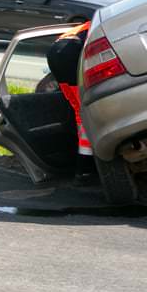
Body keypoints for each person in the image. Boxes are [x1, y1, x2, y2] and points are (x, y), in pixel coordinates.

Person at [46, 21, 96, 183]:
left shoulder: (87, 24)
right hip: (71, 51)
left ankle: (82, 169)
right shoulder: (102, 23)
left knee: (78, 110)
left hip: (55, 51)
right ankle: (85, 169)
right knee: (86, 111)